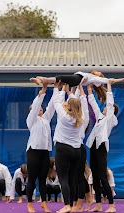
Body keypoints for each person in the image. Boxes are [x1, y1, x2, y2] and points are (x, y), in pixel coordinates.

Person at [52, 82, 86, 213]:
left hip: (63, 149)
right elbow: (77, 102)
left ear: (70, 107)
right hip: (76, 150)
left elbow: (56, 101)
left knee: (63, 178)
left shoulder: (64, 116)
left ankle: (66, 205)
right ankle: (72, 205)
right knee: (72, 178)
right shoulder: (81, 116)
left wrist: (58, 89)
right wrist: (68, 92)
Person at [86, 79, 118, 213]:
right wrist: (89, 90)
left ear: (111, 111)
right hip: (93, 146)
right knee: (95, 175)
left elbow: (110, 103)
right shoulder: (100, 118)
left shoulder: (111, 120)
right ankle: (98, 204)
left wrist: (109, 85)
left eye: (106, 107)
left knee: (103, 177)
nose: (104, 107)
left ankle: (111, 205)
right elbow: (93, 104)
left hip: (101, 148)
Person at [26, 83, 55, 213]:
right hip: (33, 151)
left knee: (43, 179)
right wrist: (43, 90)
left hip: (45, 152)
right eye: (38, 108)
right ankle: (30, 204)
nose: (40, 109)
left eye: (41, 109)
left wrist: (57, 89)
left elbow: (52, 106)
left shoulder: (46, 119)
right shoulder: (31, 120)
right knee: (32, 178)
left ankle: (44, 202)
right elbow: (37, 104)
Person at [30, 70, 124, 103]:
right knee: (59, 83)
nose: (96, 72)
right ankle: (43, 81)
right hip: (75, 80)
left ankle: (41, 79)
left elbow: (110, 80)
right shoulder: (90, 76)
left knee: (60, 77)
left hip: (77, 79)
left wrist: (122, 79)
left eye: (98, 73)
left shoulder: (96, 80)